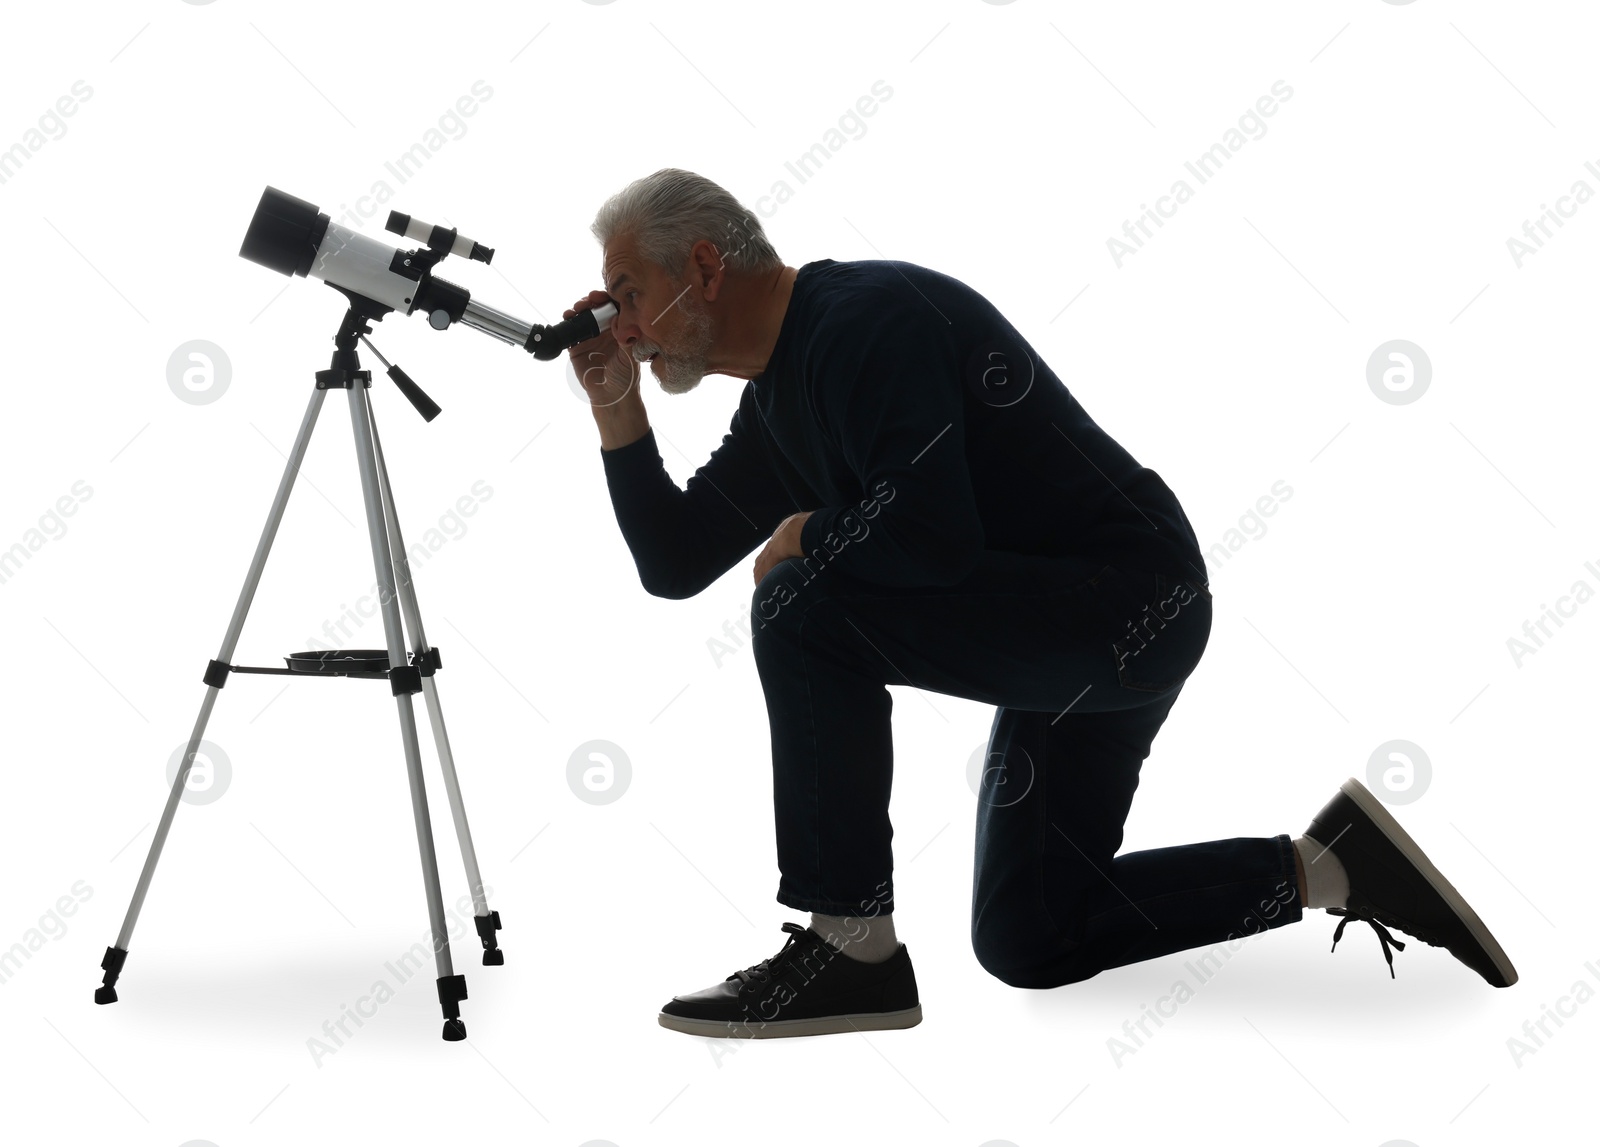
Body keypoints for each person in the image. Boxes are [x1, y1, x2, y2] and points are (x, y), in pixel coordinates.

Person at [563, 168, 1519, 1040]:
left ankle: (850, 944)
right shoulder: (776, 404)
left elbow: (930, 539)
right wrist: (615, 403)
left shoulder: (863, 320)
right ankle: (1329, 865)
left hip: (1126, 601)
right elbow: (676, 560)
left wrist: (804, 534)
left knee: (802, 604)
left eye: (631, 297)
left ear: (703, 267)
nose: (627, 326)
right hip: (1061, 626)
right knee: (1032, 935)